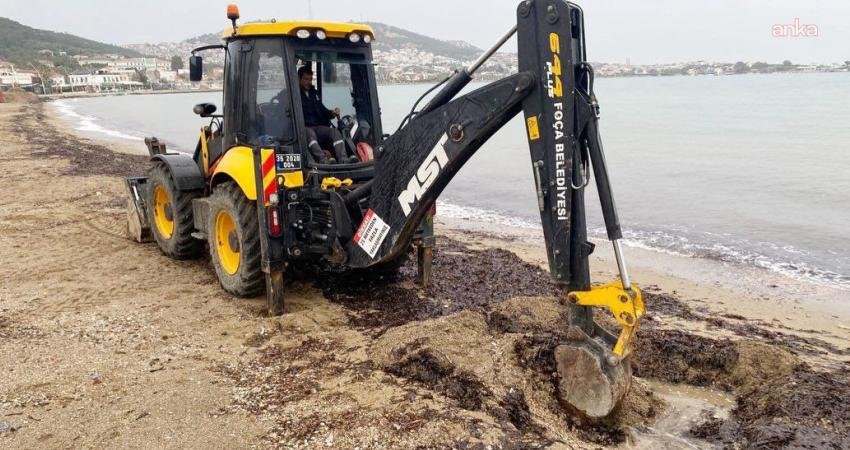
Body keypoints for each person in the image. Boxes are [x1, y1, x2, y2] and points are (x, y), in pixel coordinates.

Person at [297, 65, 357, 164]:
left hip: (317, 127)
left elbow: (322, 110)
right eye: (306, 79)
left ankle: (343, 159)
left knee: (334, 132)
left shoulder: (314, 94)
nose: (309, 82)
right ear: (299, 79)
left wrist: (332, 113)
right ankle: (323, 160)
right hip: (303, 129)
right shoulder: (293, 94)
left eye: (310, 79)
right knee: (309, 134)